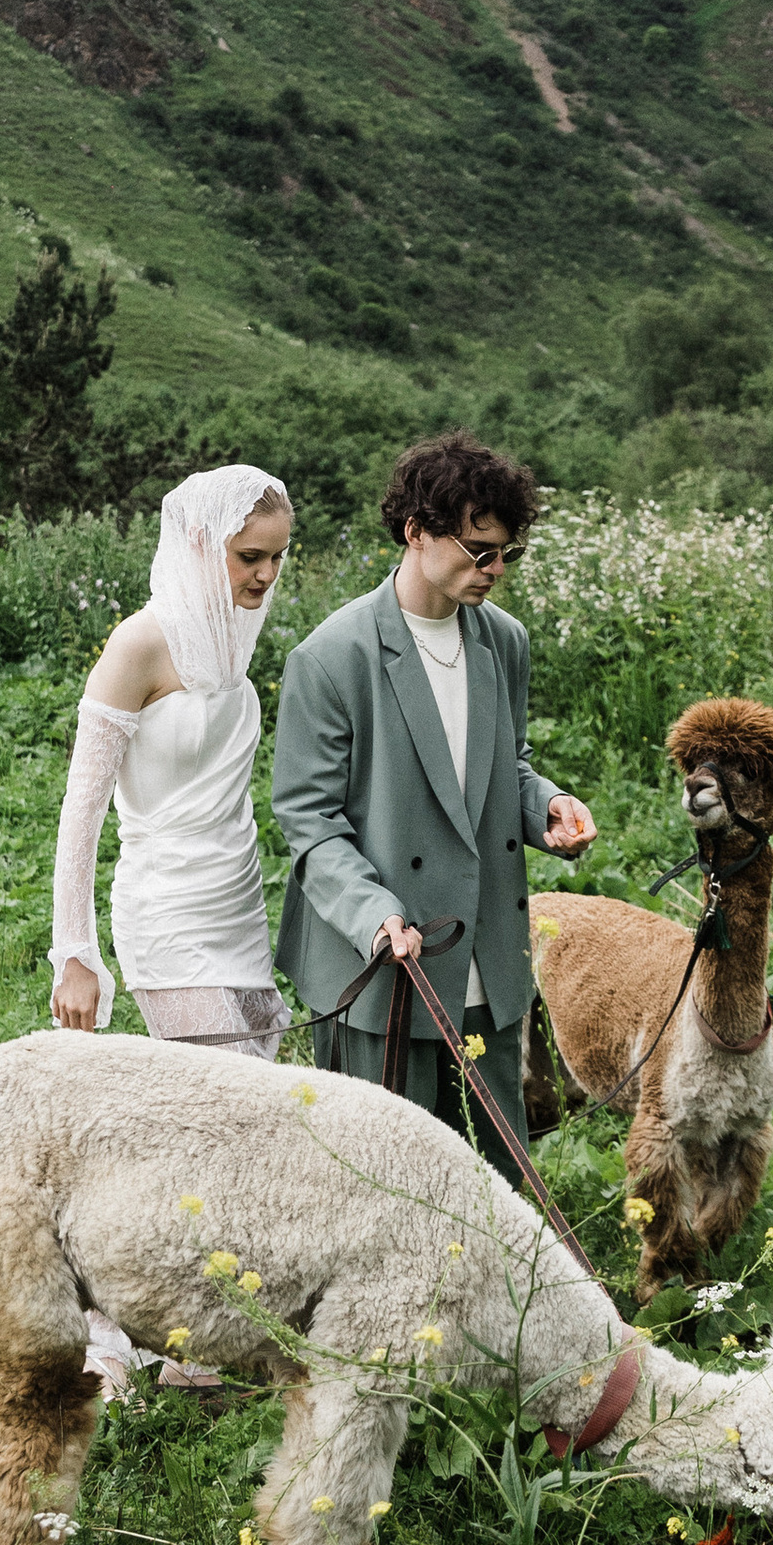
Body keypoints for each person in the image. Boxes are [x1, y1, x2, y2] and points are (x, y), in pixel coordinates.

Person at [270, 429, 593, 1180]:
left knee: (494, 1184)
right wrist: (369, 911)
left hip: (486, 952)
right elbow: (309, 822)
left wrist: (545, 806)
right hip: (388, 963)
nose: (496, 570)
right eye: (480, 550)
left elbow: (502, 769)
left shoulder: (504, 642)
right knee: (380, 1186)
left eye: (507, 553)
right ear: (417, 530)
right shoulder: (331, 656)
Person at [49, 465, 294, 1049]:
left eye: (279, 556)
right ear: (200, 543)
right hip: (169, 909)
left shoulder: (236, 626)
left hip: (238, 898)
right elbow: (82, 809)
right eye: (250, 556)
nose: (266, 574)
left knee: (259, 1096)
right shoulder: (138, 645)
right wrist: (75, 954)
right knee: (223, 1103)